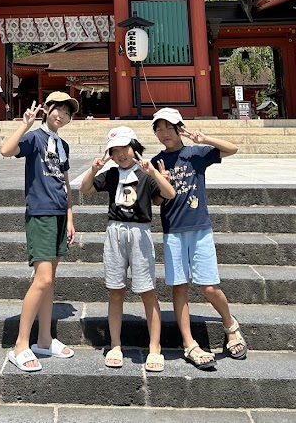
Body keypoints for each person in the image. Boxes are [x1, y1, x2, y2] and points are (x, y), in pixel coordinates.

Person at [152, 106, 248, 370]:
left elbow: (232, 149)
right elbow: (156, 200)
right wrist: (162, 180)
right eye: (159, 129)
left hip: (200, 228)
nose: (164, 134)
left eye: (169, 128)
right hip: (173, 230)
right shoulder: (156, 162)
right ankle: (189, 343)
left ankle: (230, 326)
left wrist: (205, 139)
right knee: (179, 287)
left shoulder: (196, 154)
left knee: (209, 286)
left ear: (179, 128)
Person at [80, 126, 176, 372]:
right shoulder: (111, 174)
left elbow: (169, 193)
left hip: (139, 232)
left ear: (135, 148)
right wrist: (94, 168)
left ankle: (155, 347)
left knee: (147, 290)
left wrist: (154, 173)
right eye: (115, 150)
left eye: (125, 148)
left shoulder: (145, 174)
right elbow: (84, 188)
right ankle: (115, 344)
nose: (121, 154)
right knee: (115, 290)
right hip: (115, 231)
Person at [0, 91, 78, 372]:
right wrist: (26, 124)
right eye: (59, 109)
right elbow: (5, 150)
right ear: (47, 109)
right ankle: (21, 344)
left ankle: (44, 340)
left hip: (58, 215)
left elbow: (66, 183)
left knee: (50, 280)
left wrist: (70, 217)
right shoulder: (35, 138)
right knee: (42, 279)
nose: (63, 116)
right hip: (41, 214)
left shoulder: (63, 144)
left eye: (68, 113)